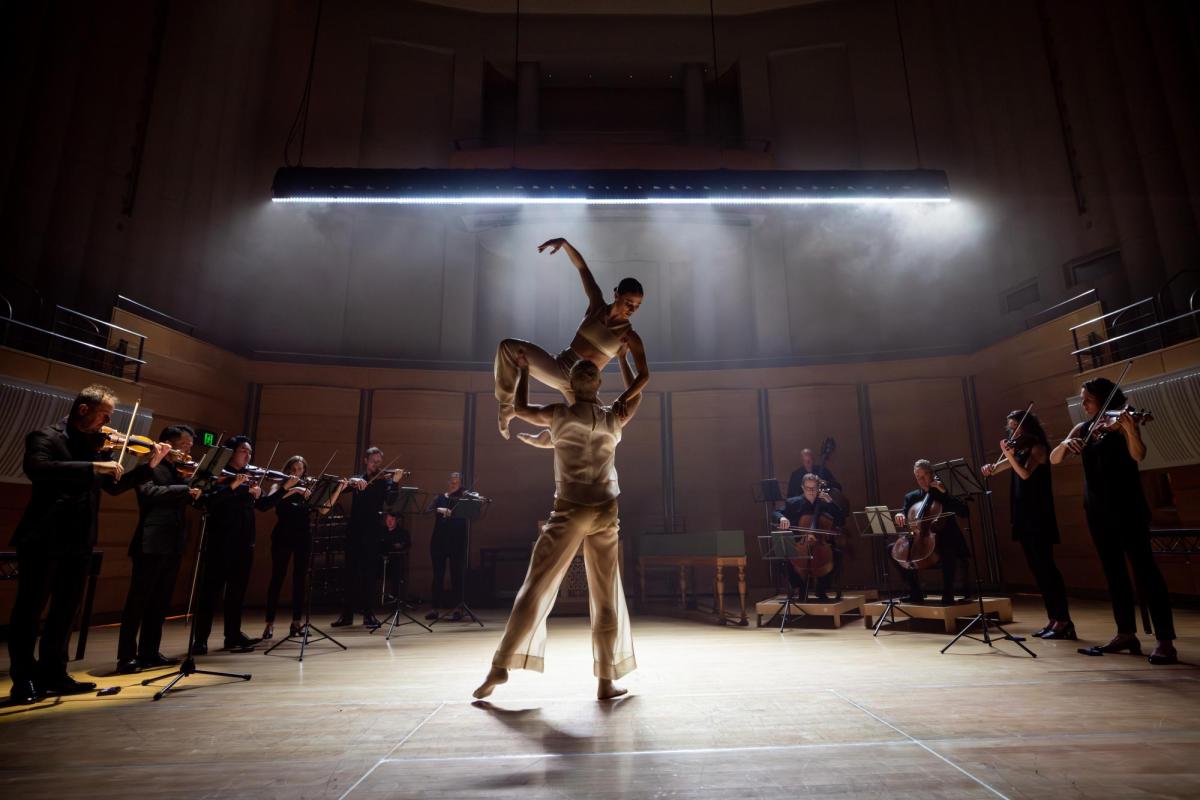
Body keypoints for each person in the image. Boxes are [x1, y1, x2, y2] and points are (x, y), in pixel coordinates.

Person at [474, 356, 643, 701]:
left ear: (571, 386)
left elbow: (519, 406)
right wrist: (624, 359)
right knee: (605, 596)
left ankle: (500, 665)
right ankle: (605, 682)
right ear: (596, 384)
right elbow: (636, 392)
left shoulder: (559, 414)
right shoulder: (613, 418)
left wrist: (523, 370)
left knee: (534, 587)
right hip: (605, 511)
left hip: (571, 508)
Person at [8, 384, 169, 704]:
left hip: (80, 541)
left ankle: (54, 673)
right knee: (29, 612)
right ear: (83, 409)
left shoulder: (96, 446)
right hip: (43, 539)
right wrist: (94, 465)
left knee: (66, 612)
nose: (106, 424)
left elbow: (114, 486)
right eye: (104, 416)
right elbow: (39, 469)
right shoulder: (45, 437)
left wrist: (149, 466)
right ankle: (23, 678)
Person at [1050, 377, 1177, 665]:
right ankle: (1125, 633)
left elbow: (1139, 455)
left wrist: (1131, 430)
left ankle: (1165, 640)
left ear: (1104, 398)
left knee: (1147, 573)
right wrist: (1067, 443)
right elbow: (1055, 458)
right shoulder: (1085, 429)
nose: (1083, 405)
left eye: (1087, 400)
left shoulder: (1121, 424)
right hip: (1097, 511)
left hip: (1128, 509)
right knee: (1114, 573)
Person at [494, 237, 648, 439]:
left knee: (607, 427)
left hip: (583, 387)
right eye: (629, 302)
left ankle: (549, 438)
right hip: (560, 367)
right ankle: (507, 406)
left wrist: (622, 398)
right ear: (616, 294)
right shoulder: (596, 306)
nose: (632, 309)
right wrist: (565, 244)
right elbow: (583, 269)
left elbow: (644, 375)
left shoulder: (630, 336)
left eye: (637, 306)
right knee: (508, 347)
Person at [116, 425, 203, 674]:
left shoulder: (177, 471)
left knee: (159, 603)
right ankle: (126, 657)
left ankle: (149, 652)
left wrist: (194, 490)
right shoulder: (149, 466)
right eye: (184, 446)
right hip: (150, 541)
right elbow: (149, 493)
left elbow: (182, 498)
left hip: (172, 543)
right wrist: (184, 489)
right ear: (167, 443)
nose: (187, 452)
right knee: (138, 602)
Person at [982, 410, 1072, 639]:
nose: (1014, 431)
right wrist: (989, 469)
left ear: (1028, 426)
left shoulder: (1038, 448)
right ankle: (1053, 620)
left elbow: (1024, 474)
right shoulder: (1020, 449)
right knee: (1037, 570)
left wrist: (1008, 455)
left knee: (1047, 569)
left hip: (1038, 516)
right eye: (1011, 427)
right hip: (1023, 515)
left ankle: (1064, 621)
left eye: (1017, 427)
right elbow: (999, 468)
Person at [193, 435, 269, 654]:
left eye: (250, 452)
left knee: (237, 592)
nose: (248, 455)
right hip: (220, 542)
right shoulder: (217, 474)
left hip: (245, 544)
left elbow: (263, 505)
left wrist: (283, 490)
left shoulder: (249, 477)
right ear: (231, 452)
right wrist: (234, 486)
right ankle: (200, 639)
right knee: (210, 592)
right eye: (244, 450)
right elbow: (207, 501)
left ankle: (233, 635)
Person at [259, 456, 348, 640]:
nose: (297, 472)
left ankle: (296, 622)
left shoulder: (309, 488)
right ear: (288, 469)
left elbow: (323, 509)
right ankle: (269, 623)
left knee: (300, 579)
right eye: (293, 468)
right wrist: (294, 488)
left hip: (303, 536)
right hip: (282, 535)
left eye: (300, 469)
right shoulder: (280, 484)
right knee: (277, 578)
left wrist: (338, 489)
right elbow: (270, 502)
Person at [332, 448, 405, 629]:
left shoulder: (383, 482)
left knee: (369, 574)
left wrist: (395, 482)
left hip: (372, 532)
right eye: (373, 461)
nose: (376, 465)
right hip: (354, 531)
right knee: (350, 573)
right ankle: (347, 615)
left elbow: (390, 501)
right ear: (365, 460)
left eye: (379, 461)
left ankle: (368, 614)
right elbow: (340, 489)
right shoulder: (358, 479)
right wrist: (353, 481)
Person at [893, 460, 970, 605]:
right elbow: (905, 512)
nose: (921, 480)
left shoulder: (944, 492)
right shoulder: (912, 497)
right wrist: (900, 515)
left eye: (924, 476)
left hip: (946, 538)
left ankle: (948, 594)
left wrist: (944, 492)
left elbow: (964, 512)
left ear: (932, 474)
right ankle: (915, 592)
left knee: (948, 549)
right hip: (921, 539)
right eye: (918, 477)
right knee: (893, 550)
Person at [773, 473, 845, 601]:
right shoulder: (793, 502)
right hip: (800, 544)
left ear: (818, 487)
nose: (811, 491)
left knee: (837, 554)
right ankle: (799, 587)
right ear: (802, 487)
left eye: (814, 488)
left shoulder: (825, 503)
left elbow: (841, 518)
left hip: (821, 544)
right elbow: (776, 513)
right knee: (781, 559)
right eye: (808, 488)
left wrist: (831, 503)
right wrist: (782, 518)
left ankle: (821, 589)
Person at [426, 472, 469, 621]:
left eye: (457, 483)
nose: (454, 485)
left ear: (460, 484)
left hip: (457, 541)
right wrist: (440, 509)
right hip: (439, 541)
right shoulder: (439, 498)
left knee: (457, 574)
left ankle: (458, 608)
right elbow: (427, 511)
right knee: (438, 575)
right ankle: (434, 608)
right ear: (448, 481)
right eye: (452, 481)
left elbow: (473, 511)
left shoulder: (464, 498)